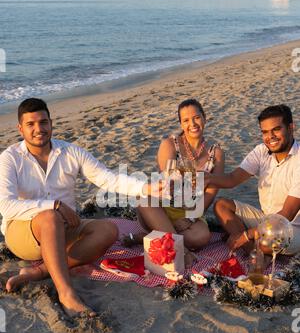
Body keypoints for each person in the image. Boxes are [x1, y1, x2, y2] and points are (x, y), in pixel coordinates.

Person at [0, 98, 167, 317]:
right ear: (20, 128)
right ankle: (66, 293)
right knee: (50, 216)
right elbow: (7, 205)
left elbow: (107, 178)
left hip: (65, 228)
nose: (38, 129)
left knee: (108, 230)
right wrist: (55, 206)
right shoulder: (10, 158)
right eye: (31, 124)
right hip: (24, 235)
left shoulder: (70, 152)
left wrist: (146, 188)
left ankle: (39, 272)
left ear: (51, 123)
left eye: (43, 122)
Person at [125, 98, 225, 253]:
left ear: (204, 117)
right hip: (162, 209)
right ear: (181, 124)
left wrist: (190, 217)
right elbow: (168, 181)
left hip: (191, 211)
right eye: (186, 120)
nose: (192, 124)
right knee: (144, 199)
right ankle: (180, 250)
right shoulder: (170, 145)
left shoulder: (216, 153)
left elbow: (211, 193)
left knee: (201, 238)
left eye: (196, 117)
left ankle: (149, 238)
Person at [204, 104, 300, 256]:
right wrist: (206, 178)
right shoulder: (261, 151)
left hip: (292, 228)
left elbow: (286, 214)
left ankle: (255, 250)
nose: (271, 137)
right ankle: (256, 253)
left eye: (276, 129)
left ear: (290, 127)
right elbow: (232, 179)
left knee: (269, 239)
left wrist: (246, 235)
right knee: (221, 205)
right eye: (265, 132)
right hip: (266, 218)